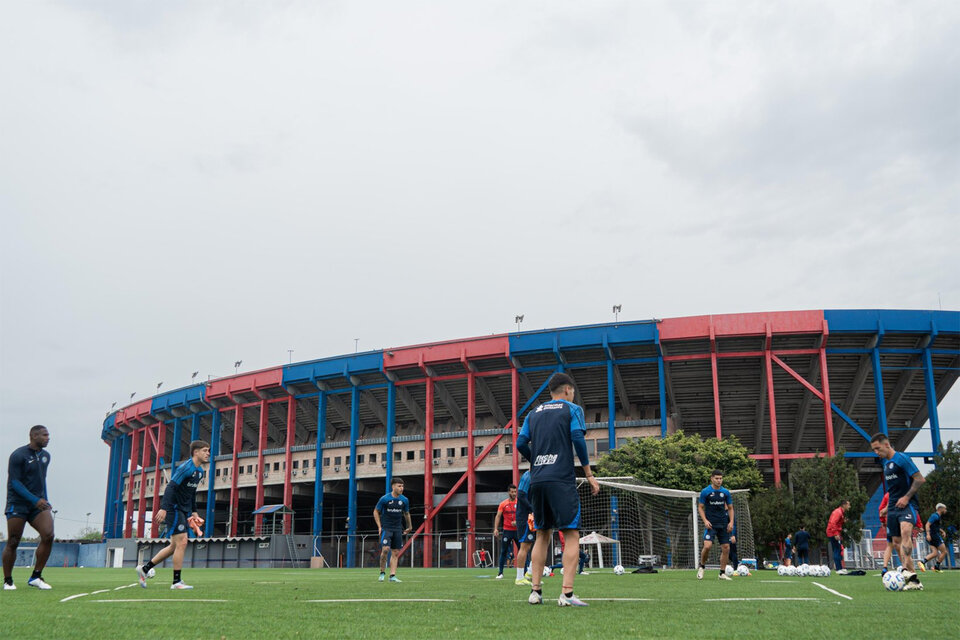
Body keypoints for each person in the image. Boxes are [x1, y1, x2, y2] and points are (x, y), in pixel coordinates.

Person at [516, 372, 600, 607]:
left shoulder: (533, 413)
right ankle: (567, 594)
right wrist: (589, 474)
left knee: (542, 534)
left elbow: (520, 443)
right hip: (561, 479)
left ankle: (535, 592)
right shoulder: (572, 409)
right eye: (572, 392)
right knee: (571, 534)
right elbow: (577, 438)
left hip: (538, 479)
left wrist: (537, 461)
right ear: (567, 391)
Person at [136, 440, 209, 590]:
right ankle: (176, 582)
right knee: (182, 542)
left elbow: (192, 493)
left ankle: (144, 569)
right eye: (205, 450)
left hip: (183, 510)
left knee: (173, 546)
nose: (208, 453)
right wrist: (164, 508)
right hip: (173, 509)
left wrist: (194, 511)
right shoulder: (186, 468)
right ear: (195, 452)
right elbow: (171, 487)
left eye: (208, 451)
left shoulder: (199, 472)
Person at [870, 433, 925, 590]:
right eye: (874, 450)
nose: (876, 452)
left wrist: (907, 497)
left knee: (906, 530)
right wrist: (886, 509)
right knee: (895, 542)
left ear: (887, 445)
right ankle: (913, 580)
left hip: (907, 505)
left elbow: (920, 479)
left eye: (877, 448)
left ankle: (906, 570)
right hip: (893, 508)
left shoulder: (902, 459)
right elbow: (893, 491)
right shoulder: (887, 466)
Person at [3, 425, 54, 590]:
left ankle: (36, 577)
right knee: (13, 541)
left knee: (48, 535)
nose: (48, 438)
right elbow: (15, 482)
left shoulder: (46, 456)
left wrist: (44, 499)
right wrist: (34, 500)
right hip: (17, 503)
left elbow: (42, 479)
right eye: (45, 435)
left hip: (38, 504)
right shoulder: (18, 455)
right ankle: (8, 581)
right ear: (34, 436)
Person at [696, 469, 734, 581]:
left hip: (723, 524)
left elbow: (731, 508)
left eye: (721, 478)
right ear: (712, 478)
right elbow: (700, 507)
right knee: (707, 546)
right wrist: (705, 521)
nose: (719, 480)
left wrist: (731, 522)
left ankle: (722, 573)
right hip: (711, 525)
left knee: (726, 548)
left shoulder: (726, 492)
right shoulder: (705, 492)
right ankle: (702, 566)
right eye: (717, 478)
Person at [373, 477, 412, 583]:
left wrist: (410, 526)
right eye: (399, 486)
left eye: (402, 486)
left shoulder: (404, 500)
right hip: (387, 528)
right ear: (393, 486)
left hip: (398, 529)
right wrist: (379, 526)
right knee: (385, 550)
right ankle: (382, 572)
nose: (401, 488)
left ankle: (392, 576)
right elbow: (376, 511)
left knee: (395, 552)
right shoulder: (384, 499)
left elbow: (406, 513)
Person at [493, 483, 519, 580]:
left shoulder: (519, 503)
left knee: (523, 551)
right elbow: (498, 516)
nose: (514, 493)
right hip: (507, 531)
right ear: (508, 492)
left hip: (517, 531)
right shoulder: (503, 504)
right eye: (512, 492)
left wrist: (518, 522)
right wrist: (495, 528)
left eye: (515, 492)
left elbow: (524, 515)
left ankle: (525, 572)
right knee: (503, 551)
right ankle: (500, 573)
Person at [513, 469, 534, 585]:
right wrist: (532, 508)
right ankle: (519, 577)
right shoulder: (528, 475)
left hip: (531, 515)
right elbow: (521, 494)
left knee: (534, 543)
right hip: (525, 517)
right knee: (525, 545)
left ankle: (530, 573)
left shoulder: (536, 474)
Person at [920, 503, 948, 573]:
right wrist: (928, 534)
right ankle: (936, 567)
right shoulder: (935, 516)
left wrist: (942, 531)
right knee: (944, 551)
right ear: (940, 509)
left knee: (935, 553)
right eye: (945, 508)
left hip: (932, 536)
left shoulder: (937, 516)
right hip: (934, 536)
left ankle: (922, 562)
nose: (945, 510)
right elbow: (927, 524)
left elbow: (935, 527)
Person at [826, 500, 850, 574]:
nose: (849, 506)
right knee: (837, 549)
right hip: (833, 533)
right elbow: (833, 523)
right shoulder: (838, 512)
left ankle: (840, 568)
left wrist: (843, 521)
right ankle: (838, 569)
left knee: (838, 549)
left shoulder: (841, 513)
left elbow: (838, 522)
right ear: (844, 505)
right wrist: (835, 534)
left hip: (835, 532)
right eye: (848, 505)